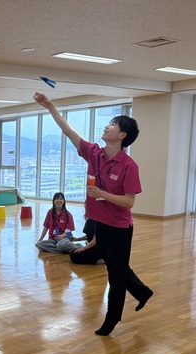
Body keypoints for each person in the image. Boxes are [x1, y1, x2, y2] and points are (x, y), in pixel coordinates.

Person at [34, 92, 153, 336]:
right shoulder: (95, 153)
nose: (107, 126)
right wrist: (50, 106)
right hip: (100, 223)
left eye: (113, 124)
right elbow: (68, 131)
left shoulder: (129, 166)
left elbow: (129, 202)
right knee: (116, 265)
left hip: (119, 228)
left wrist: (102, 194)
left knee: (116, 274)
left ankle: (112, 319)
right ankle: (142, 292)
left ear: (122, 135)